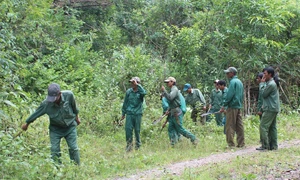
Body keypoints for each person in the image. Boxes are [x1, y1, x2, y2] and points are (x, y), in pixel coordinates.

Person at [21, 83, 81, 165]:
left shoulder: (69, 95)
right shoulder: (46, 104)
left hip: (70, 126)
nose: (53, 100)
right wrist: (27, 123)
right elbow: (36, 114)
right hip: (55, 129)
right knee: (54, 150)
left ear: (60, 94)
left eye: (54, 98)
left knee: (73, 148)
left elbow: (74, 108)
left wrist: (77, 118)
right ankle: (57, 169)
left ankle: (76, 168)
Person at [161, 77, 198, 146]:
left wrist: (164, 91)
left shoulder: (174, 89)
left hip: (176, 113)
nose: (167, 84)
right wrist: (168, 110)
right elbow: (172, 103)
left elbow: (170, 98)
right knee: (170, 128)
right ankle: (173, 144)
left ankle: (193, 138)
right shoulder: (172, 90)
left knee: (180, 129)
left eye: (168, 82)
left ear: (172, 82)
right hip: (172, 112)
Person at [256, 67, 280, 151]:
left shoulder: (270, 84)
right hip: (273, 108)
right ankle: (273, 146)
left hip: (270, 108)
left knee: (263, 126)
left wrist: (261, 84)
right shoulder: (271, 83)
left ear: (270, 74)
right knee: (272, 127)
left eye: (265, 74)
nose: (263, 75)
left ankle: (265, 146)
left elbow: (263, 94)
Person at [220, 67, 244, 148]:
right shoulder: (239, 82)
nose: (227, 74)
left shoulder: (233, 82)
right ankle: (241, 143)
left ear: (232, 73)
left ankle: (231, 144)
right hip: (238, 106)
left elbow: (229, 95)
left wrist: (224, 105)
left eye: (228, 73)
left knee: (229, 125)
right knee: (239, 125)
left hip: (232, 106)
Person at [121, 77, 146, 152]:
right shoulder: (129, 92)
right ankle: (129, 147)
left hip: (138, 114)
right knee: (128, 130)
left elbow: (144, 93)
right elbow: (125, 103)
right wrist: (123, 113)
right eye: (131, 83)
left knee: (137, 130)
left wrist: (138, 85)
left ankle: (138, 146)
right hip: (129, 113)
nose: (132, 84)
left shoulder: (140, 92)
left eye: (133, 83)